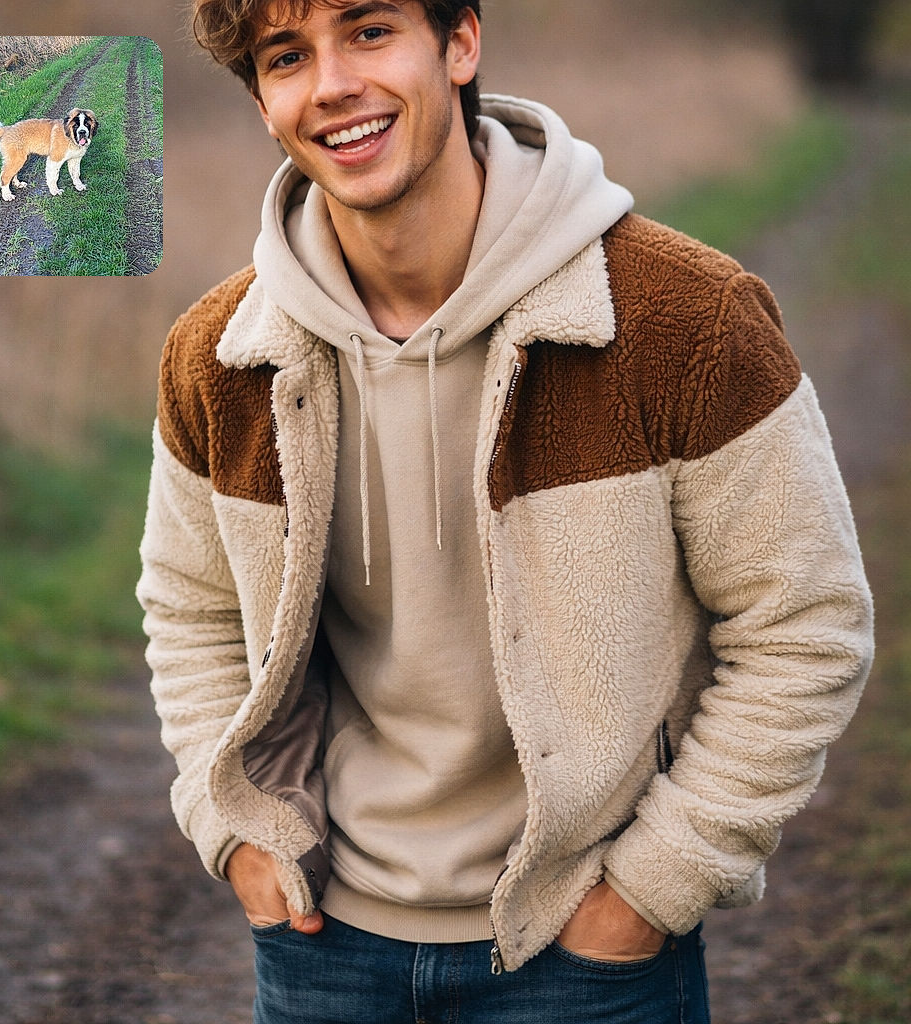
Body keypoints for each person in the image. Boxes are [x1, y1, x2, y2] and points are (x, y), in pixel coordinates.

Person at [136, 2, 874, 1021]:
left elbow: (806, 620)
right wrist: (238, 835)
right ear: (264, 102)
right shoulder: (218, 357)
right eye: (286, 56)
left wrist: (651, 887)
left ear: (460, 42)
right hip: (322, 957)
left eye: (368, 30)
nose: (333, 83)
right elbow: (187, 606)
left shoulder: (686, 321)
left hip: (585, 960)